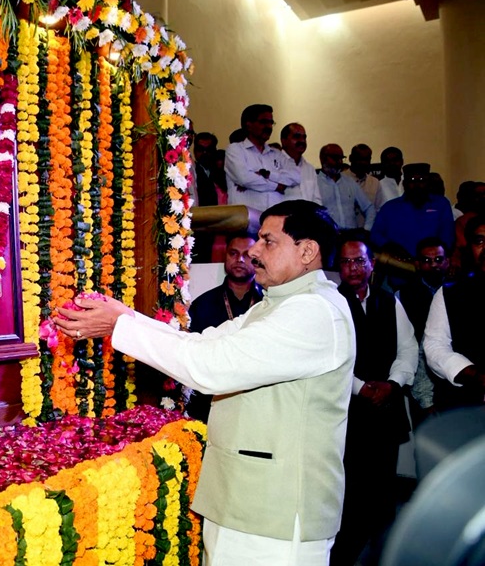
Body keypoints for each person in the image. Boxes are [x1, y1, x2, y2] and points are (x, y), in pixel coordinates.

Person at [56, 200, 355, 566]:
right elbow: (202, 342)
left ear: (307, 251)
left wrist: (119, 327)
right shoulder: (275, 305)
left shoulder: (313, 311)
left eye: (268, 241)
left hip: (275, 513)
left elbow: (209, 367)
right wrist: (127, 316)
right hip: (244, 501)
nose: (254, 251)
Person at [331, 235, 417, 566]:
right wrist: (361, 388)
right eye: (346, 262)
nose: (353, 268)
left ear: (371, 265)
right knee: (350, 493)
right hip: (347, 411)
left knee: (383, 493)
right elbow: (330, 358)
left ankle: (382, 553)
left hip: (386, 409)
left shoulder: (389, 300)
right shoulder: (331, 303)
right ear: (338, 268)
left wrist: (393, 384)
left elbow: (408, 349)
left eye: (359, 261)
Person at [186, 233, 262, 421]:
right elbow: (193, 352)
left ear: (257, 260)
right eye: (233, 253)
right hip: (209, 402)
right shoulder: (203, 304)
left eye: (247, 255)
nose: (239, 260)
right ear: (224, 257)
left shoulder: (267, 303)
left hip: (256, 401)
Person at [424, 213, 485, 411]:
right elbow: (435, 346)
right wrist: (474, 375)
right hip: (467, 405)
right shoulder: (451, 292)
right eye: (480, 241)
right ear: (470, 248)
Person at [398, 237, 450, 424]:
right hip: (421, 384)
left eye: (439, 259)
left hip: (455, 382)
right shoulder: (402, 296)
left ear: (447, 261)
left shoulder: (459, 291)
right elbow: (409, 347)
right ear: (417, 264)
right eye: (427, 261)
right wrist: (425, 399)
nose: (434, 265)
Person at [224, 104, 300, 214]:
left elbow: (296, 176)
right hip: (246, 222)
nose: (269, 127)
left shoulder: (276, 154)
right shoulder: (235, 150)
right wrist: (277, 186)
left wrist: (268, 175)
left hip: (274, 220)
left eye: (271, 122)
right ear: (249, 124)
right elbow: (244, 179)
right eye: (263, 122)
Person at [371, 163, 455, 260]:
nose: (417, 185)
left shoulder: (441, 204)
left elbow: (447, 237)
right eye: (412, 180)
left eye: (421, 180)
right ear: (404, 184)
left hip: (432, 266)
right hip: (399, 266)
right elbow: (375, 235)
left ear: (428, 182)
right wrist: (390, 247)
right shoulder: (389, 208)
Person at [316, 144, 375, 231]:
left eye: (341, 158)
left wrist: (366, 230)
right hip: (327, 237)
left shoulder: (349, 182)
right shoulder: (315, 183)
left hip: (351, 236)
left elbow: (369, 208)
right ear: (322, 159)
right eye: (335, 158)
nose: (339, 162)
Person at [193, 132, 228, 263]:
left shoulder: (223, 172)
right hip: (199, 227)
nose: (205, 153)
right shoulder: (191, 170)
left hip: (222, 228)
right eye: (201, 150)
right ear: (195, 151)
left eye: (209, 150)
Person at [280, 123, 322, 204]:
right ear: (283, 141)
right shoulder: (275, 164)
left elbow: (317, 200)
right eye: (296, 137)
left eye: (304, 137)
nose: (302, 141)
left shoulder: (310, 169)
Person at [343, 144, 382, 227]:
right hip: (345, 233)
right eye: (359, 159)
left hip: (368, 233)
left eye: (366, 159)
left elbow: (379, 210)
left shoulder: (375, 182)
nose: (363, 163)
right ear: (350, 158)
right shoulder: (340, 180)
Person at [375, 147, 404, 211]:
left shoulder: (410, 182)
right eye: (387, 161)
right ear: (382, 164)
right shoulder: (378, 185)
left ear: (402, 162)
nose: (392, 163)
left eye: (395, 160)